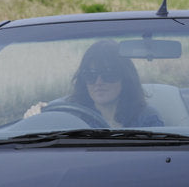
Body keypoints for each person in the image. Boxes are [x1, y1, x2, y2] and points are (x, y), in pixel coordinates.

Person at [27, 40, 163, 128]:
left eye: (108, 74)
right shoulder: (70, 117)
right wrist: (36, 119)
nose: (99, 82)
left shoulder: (147, 119)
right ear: (83, 80)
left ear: (125, 77)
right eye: (90, 75)